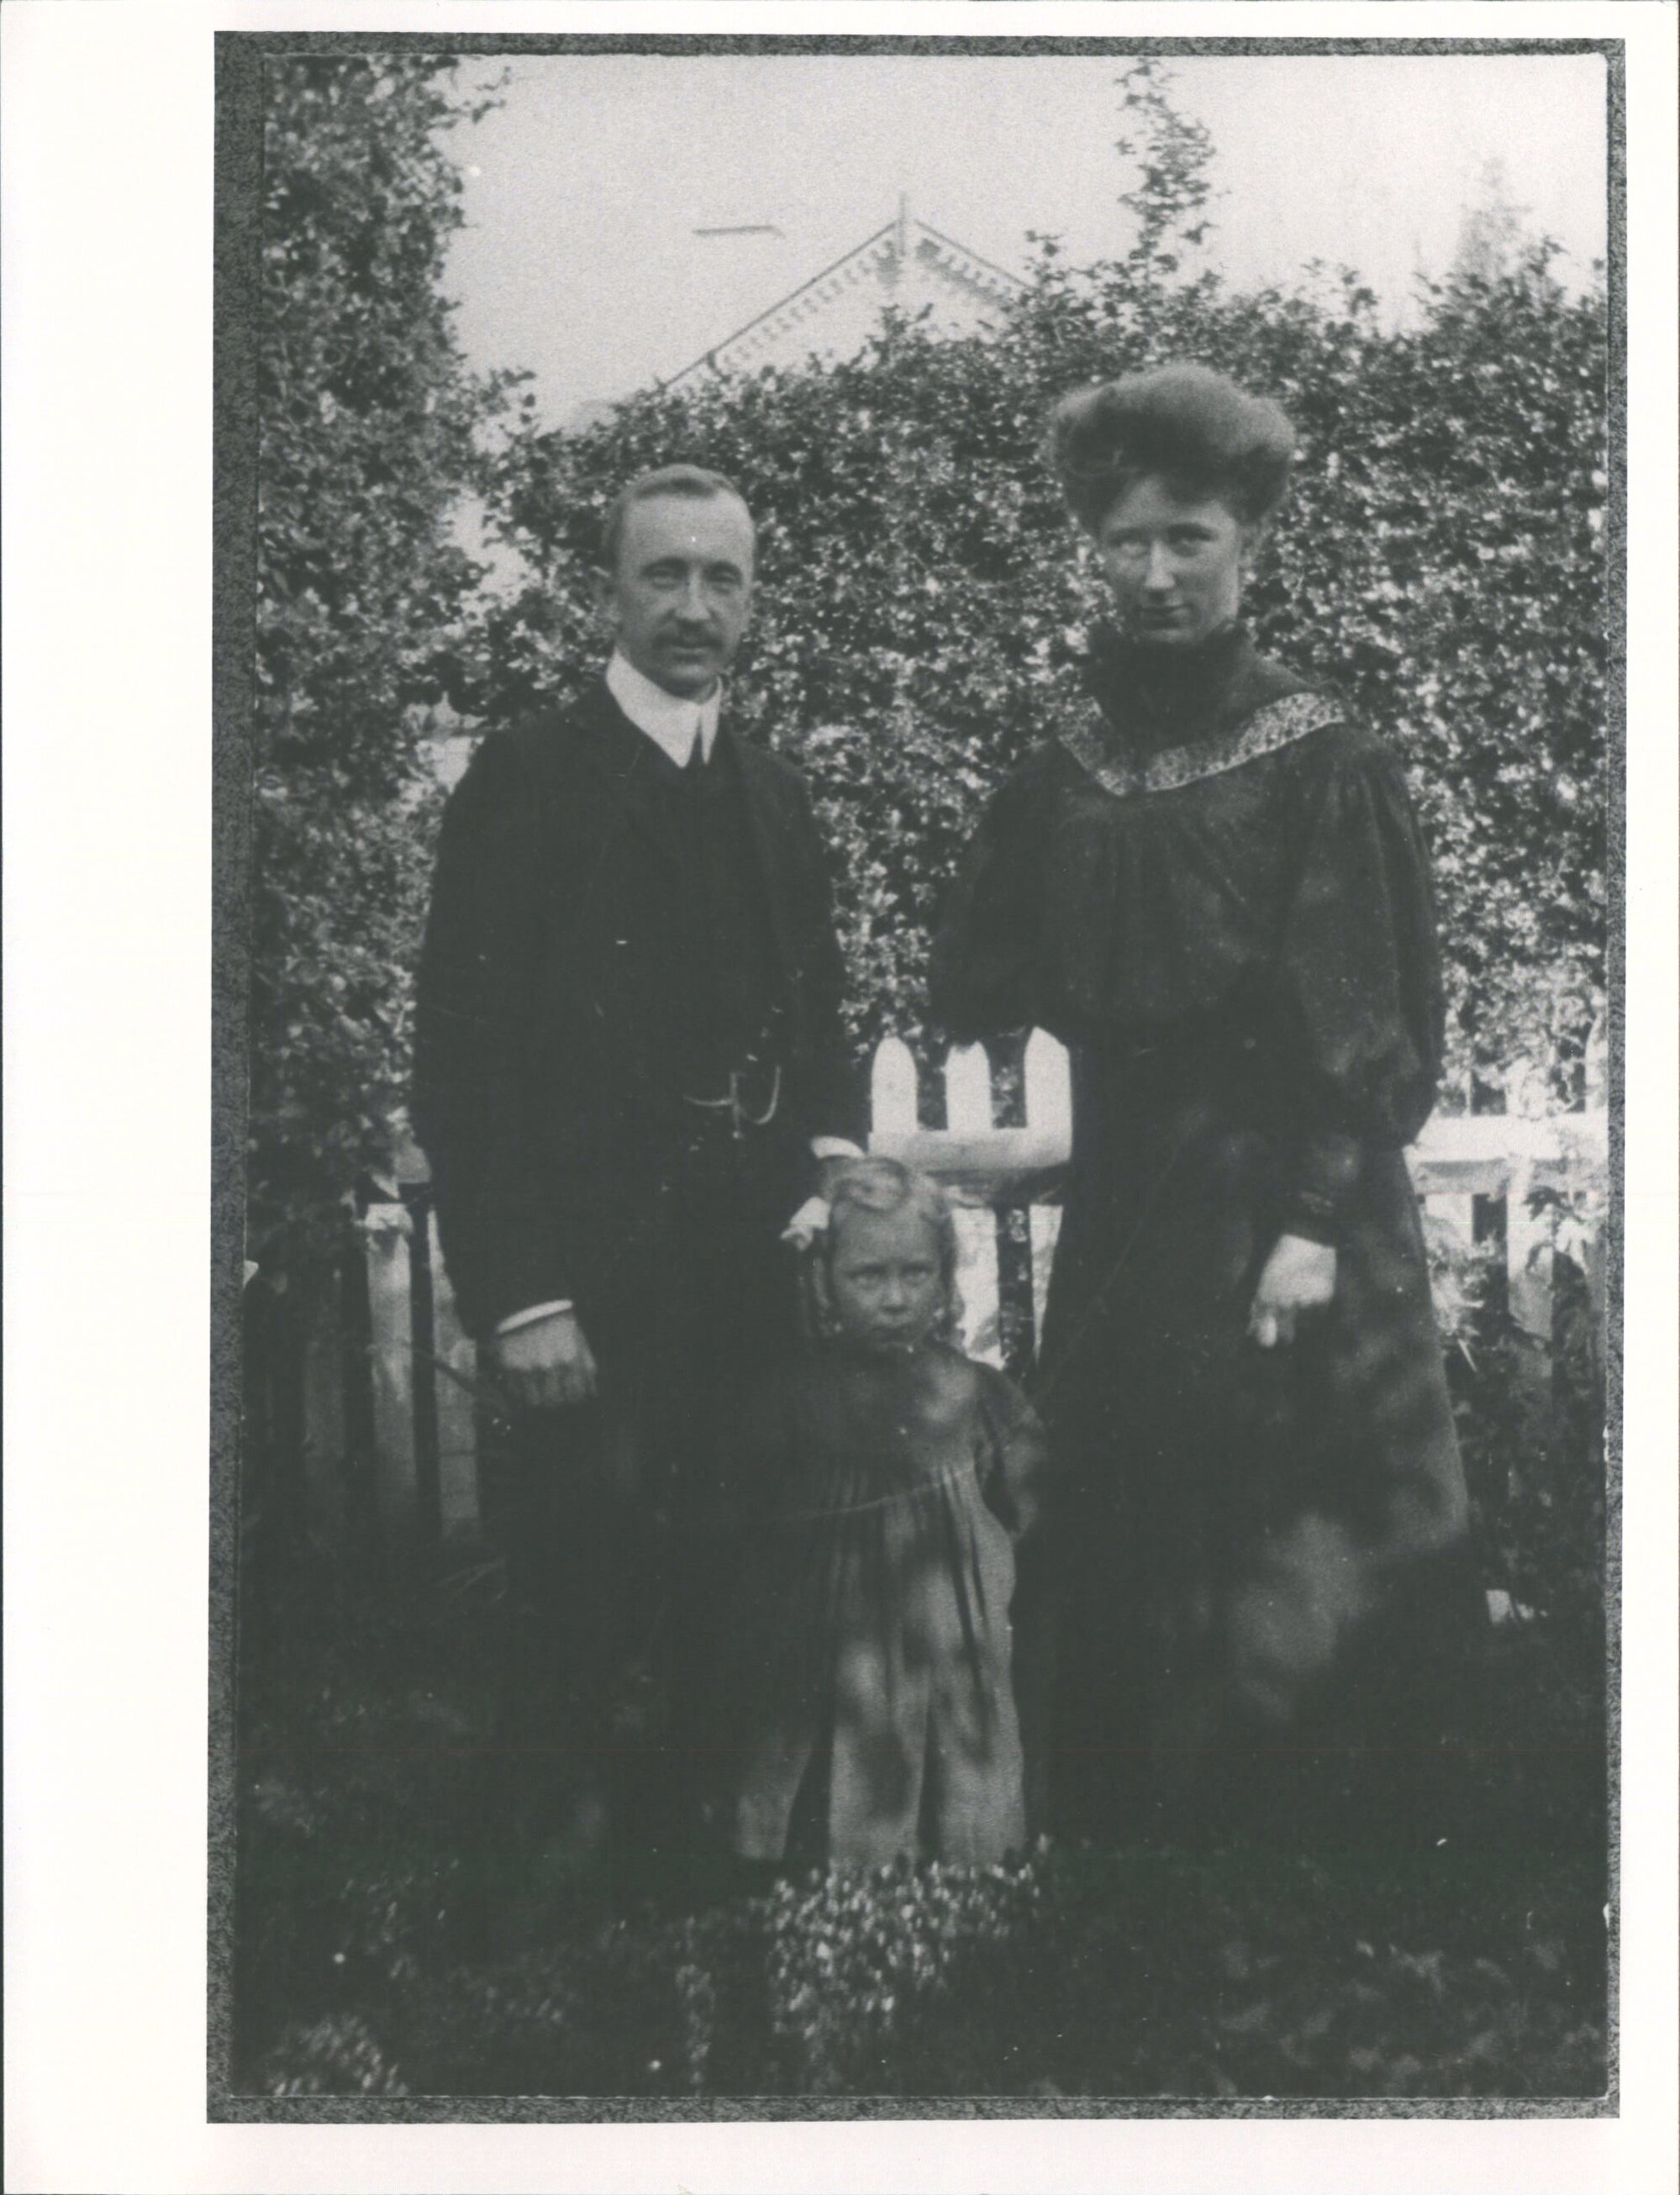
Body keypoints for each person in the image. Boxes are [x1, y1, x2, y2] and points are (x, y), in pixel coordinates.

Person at [929, 364, 1477, 1844]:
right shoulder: (1063, 764)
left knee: (1289, 1524)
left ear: (1248, 549)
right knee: (1124, 1503)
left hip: (1291, 1200)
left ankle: (1319, 1869)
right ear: (1092, 554)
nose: (1158, 572)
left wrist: (1308, 1221)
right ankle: (1137, 1863)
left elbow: (1363, 1011)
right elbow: (981, 967)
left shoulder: (1319, 755)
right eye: (1127, 544)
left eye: (1189, 540)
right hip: (1130, 1191)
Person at [412, 465, 864, 1890]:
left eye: (720, 579)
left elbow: (822, 1015)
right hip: (590, 1294)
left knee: (739, 1599)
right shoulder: (529, 781)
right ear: (607, 592)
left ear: (752, 599)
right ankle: (530, 1955)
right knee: (577, 1610)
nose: (691, 606)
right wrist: (523, 1294)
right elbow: (462, 1059)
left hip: (748, 1281)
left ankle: (710, 1906)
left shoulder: (774, 789)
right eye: (661, 574)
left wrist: (837, 1175)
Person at [715, 1158, 1046, 1870]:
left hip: (948, 1638)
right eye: (867, 1277)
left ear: (943, 1275)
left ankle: (961, 1874)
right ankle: (822, 1886)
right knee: (827, 1744)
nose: (893, 1298)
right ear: (824, 1280)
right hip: (828, 1640)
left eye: (915, 1274)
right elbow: (745, 1514)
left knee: (956, 1750)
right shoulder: (791, 1398)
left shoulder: (978, 1395)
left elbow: (1029, 1508)